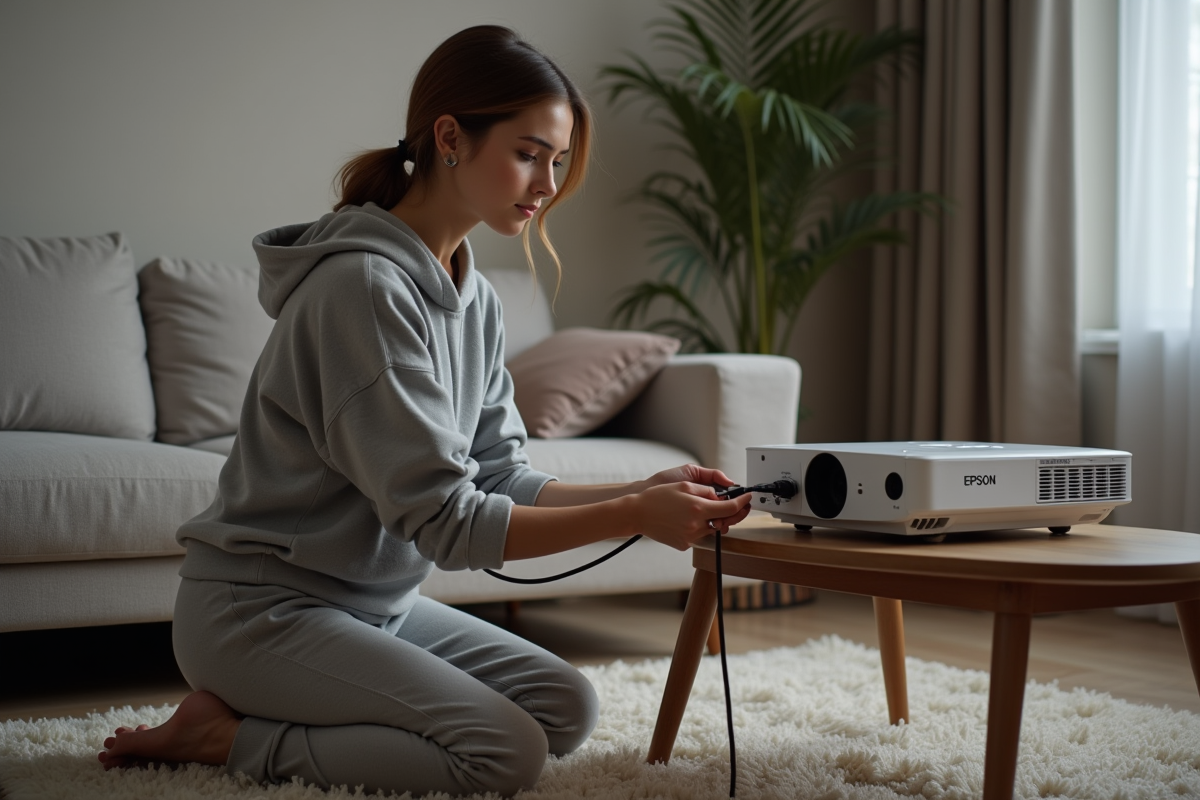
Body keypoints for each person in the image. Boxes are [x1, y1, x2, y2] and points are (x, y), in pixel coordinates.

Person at [97, 24, 753, 797]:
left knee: (565, 708)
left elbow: (502, 474)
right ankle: (227, 736)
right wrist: (634, 514)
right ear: (450, 137)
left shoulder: (474, 297)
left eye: (558, 160)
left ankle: (291, 713)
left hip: (377, 608)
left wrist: (646, 492)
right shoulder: (362, 291)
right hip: (260, 613)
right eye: (528, 152)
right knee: (501, 754)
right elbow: (448, 524)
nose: (546, 184)